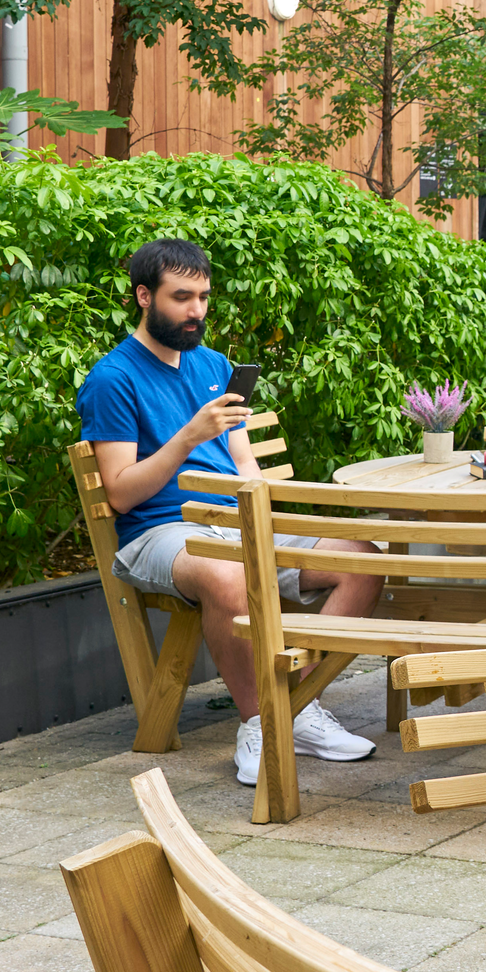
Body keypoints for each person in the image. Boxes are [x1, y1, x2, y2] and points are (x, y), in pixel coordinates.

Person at [77, 239, 384, 789]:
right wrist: (190, 434)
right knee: (229, 574)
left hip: (233, 518)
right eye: (181, 298)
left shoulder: (215, 366)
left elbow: (244, 465)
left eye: (203, 297)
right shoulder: (113, 378)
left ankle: (293, 709)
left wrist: (266, 516)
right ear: (144, 297)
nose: (197, 311)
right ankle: (259, 723)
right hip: (161, 530)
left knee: (361, 559)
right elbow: (122, 493)